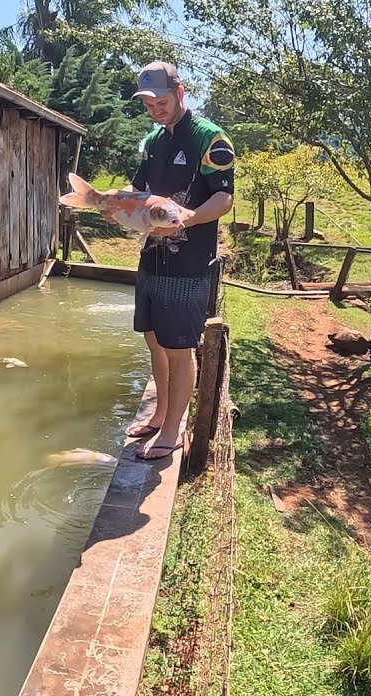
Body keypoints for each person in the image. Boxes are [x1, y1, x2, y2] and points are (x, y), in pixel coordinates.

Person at [116, 60, 235, 460]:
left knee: (179, 347)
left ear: (180, 93)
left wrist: (190, 216)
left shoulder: (209, 138)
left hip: (188, 263)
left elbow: (224, 197)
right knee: (153, 340)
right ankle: (160, 413)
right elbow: (138, 191)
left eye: (161, 101)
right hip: (151, 255)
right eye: (148, 104)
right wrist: (116, 205)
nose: (155, 110)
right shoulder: (153, 141)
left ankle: (172, 431)